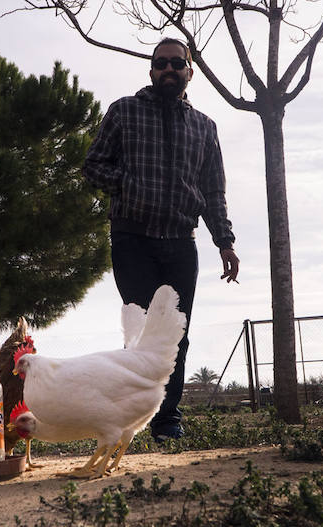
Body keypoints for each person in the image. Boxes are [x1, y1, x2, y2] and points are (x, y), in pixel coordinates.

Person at [82, 38, 240, 442]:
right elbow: (94, 165)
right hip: (132, 238)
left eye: (177, 63)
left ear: (190, 71)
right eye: (161, 63)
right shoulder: (124, 111)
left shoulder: (205, 127)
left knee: (175, 334)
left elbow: (213, 191)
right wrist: (132, 186)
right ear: (151, 71)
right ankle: (131, 417)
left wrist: (225, 241)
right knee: (140, 330)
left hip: (180, 242)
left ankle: (167, 419)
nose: (168, 69)